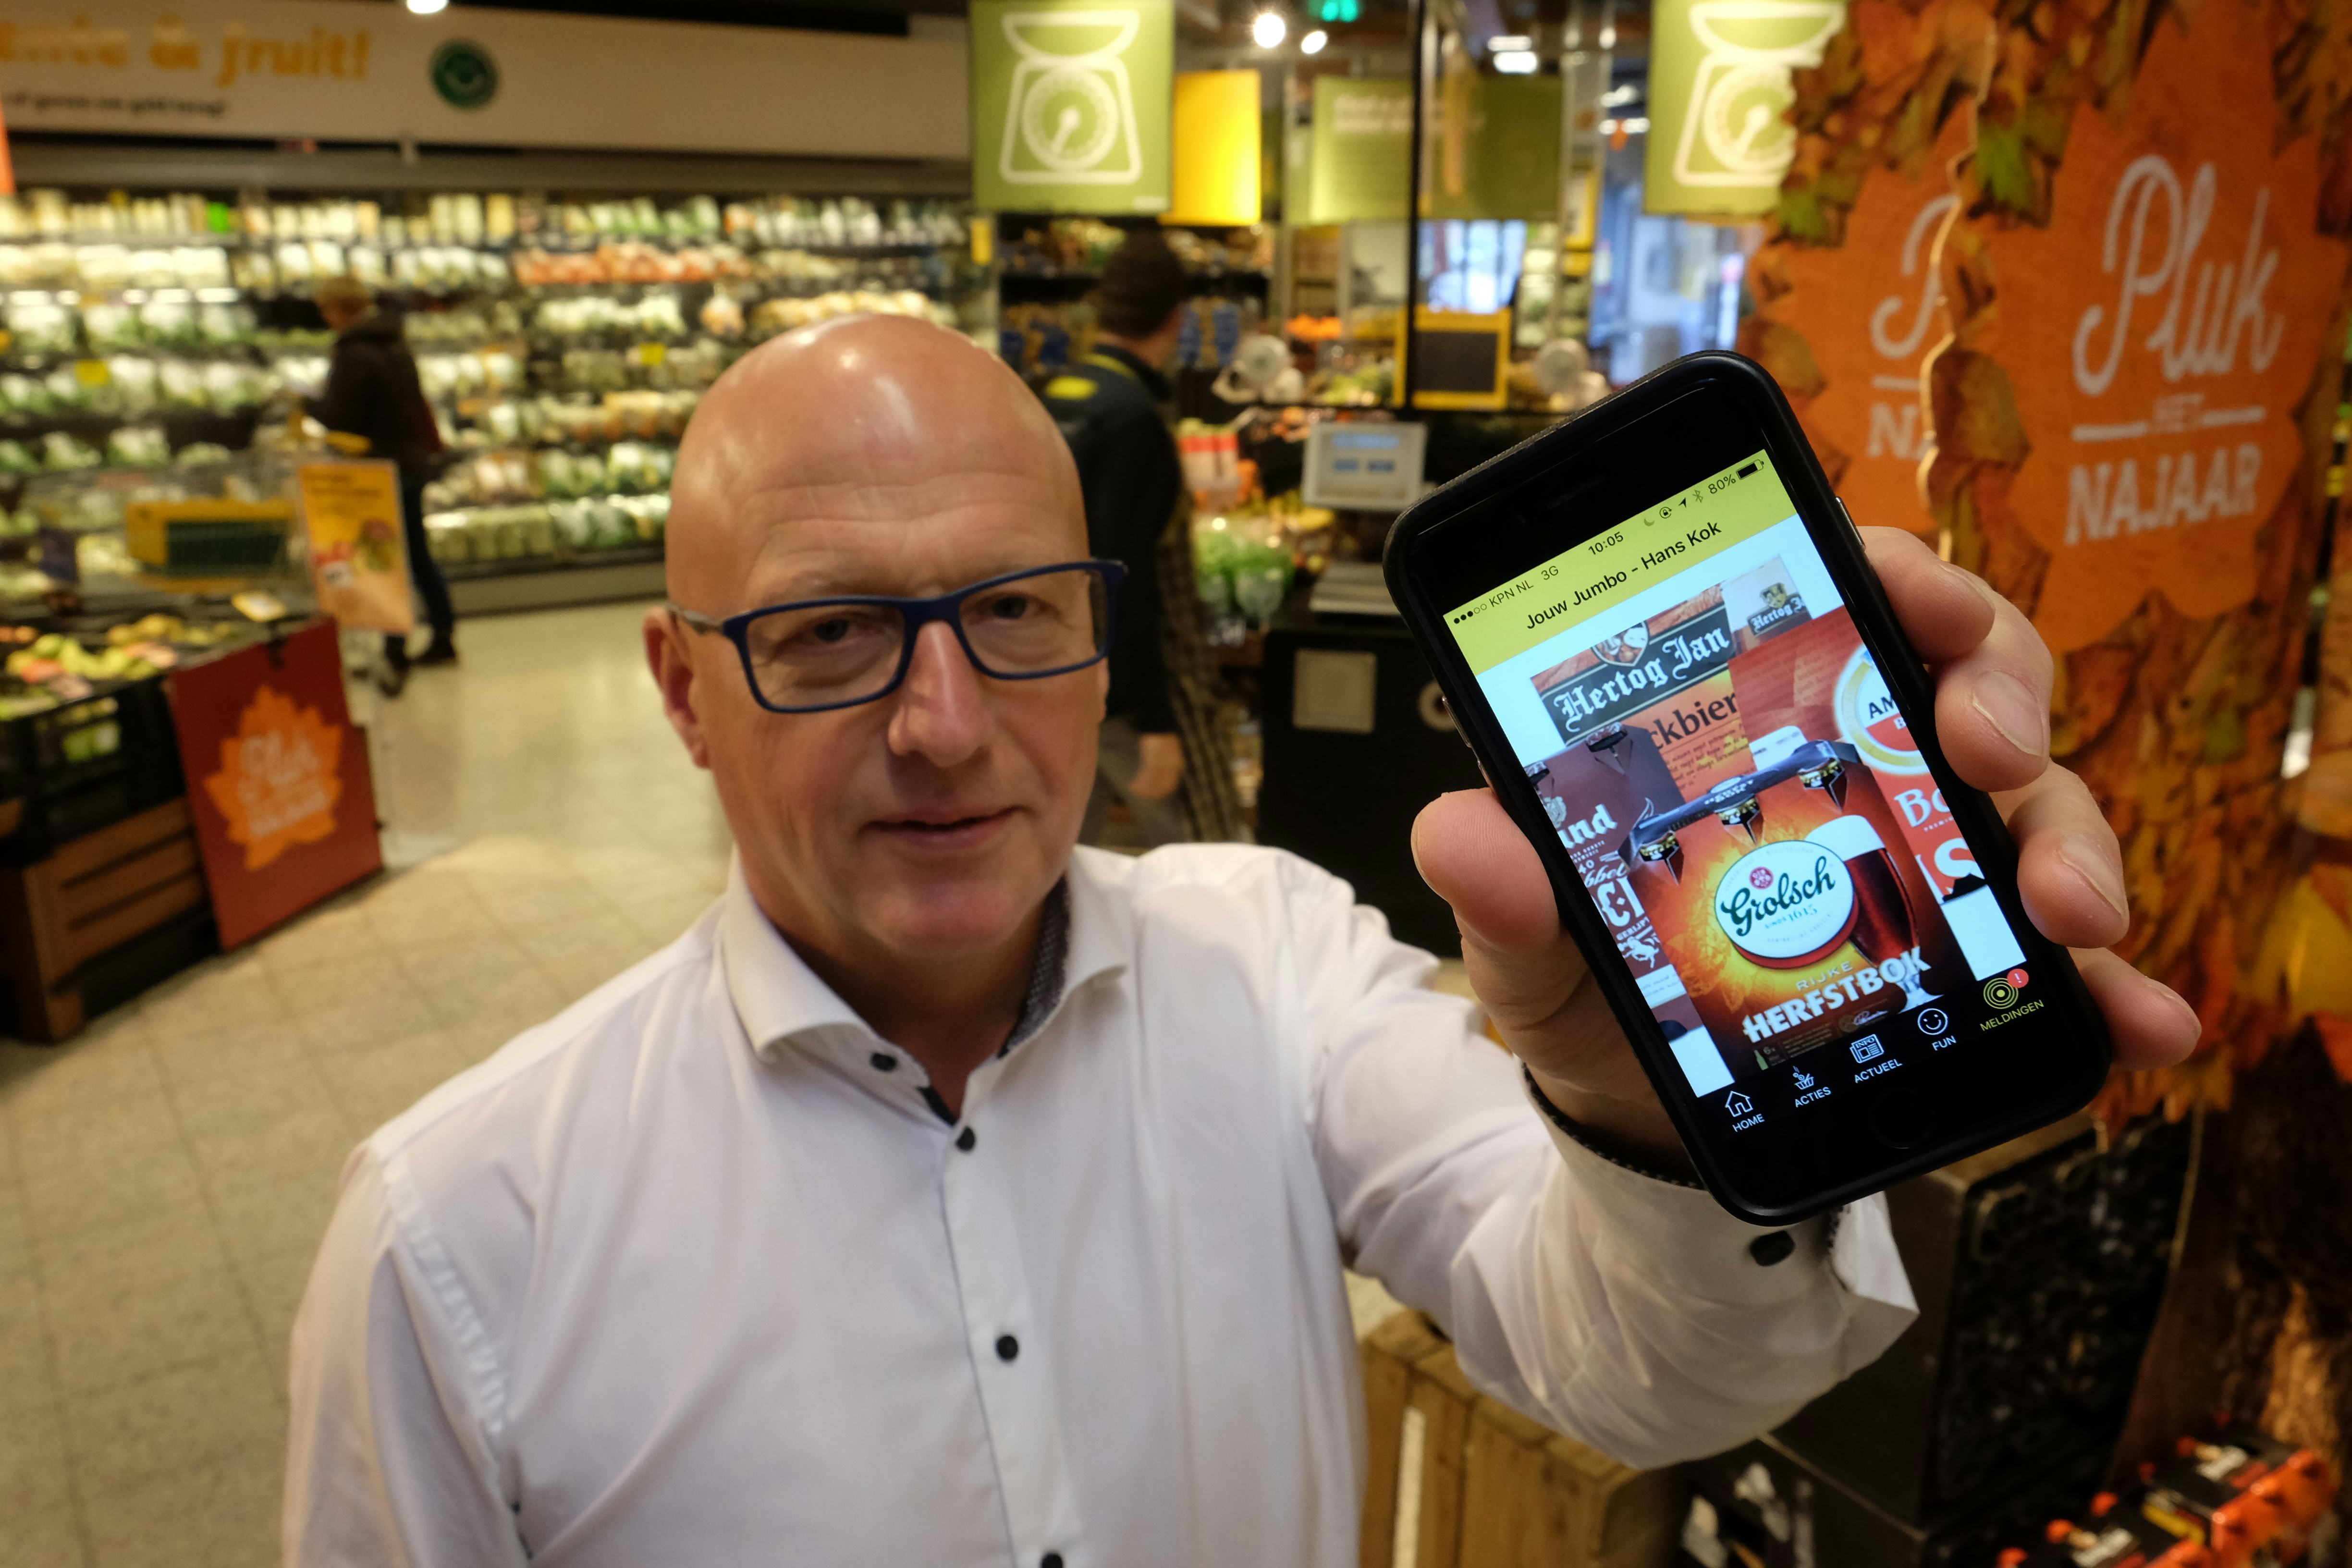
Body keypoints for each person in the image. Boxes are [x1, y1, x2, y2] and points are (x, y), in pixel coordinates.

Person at [285, 317, 2200, 1567]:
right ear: (682, 692)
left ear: (1103, 631)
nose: (947, 723)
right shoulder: (463, 1241)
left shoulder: (1270, 958)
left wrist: (1638, 1110)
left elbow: (1639, 1373)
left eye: (1018, 612)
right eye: (828, 633)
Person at [1042, 231, 1189, 845]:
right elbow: (1126, 575)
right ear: (1177, 320)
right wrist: (1158, 719)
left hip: (1051, 669)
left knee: (1066, 853)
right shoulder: (1134, 419)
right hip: (1124, 691)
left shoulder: (1051, 396)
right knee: (1195, 852)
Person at [309, 274, 456, 695]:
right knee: (416, 555)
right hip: (409, 462)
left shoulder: (354, 353)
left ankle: (395, 646)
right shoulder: (395, 342)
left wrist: (306, 402)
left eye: (326, 310)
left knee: (385, 559)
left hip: (375, 472)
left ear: (338, 309)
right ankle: (442, 633)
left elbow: (342, 417)